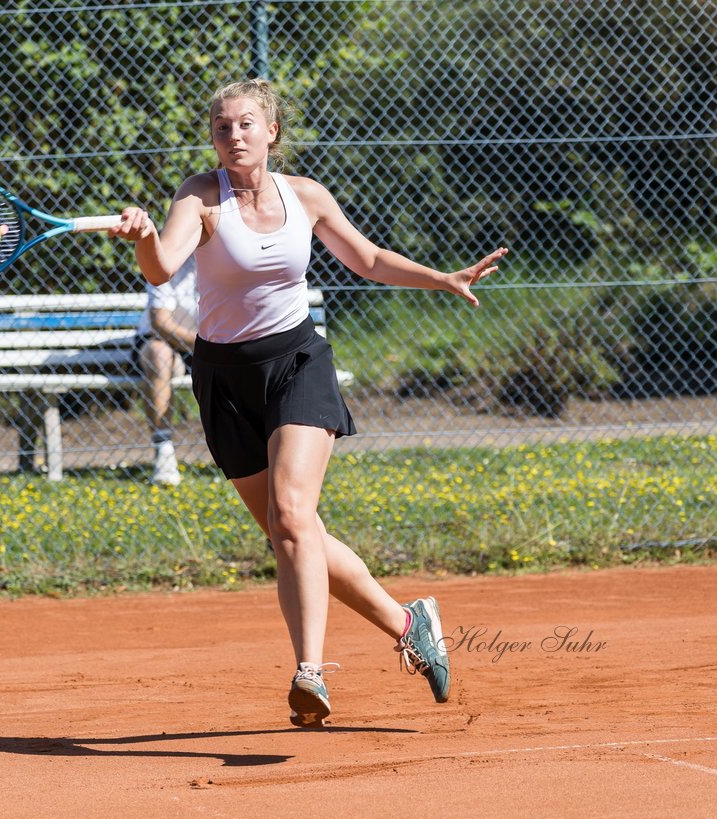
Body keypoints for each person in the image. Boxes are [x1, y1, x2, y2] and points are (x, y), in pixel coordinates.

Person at [108, 78, 508, 727]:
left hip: (296, 363)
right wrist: (145, 235)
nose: (233, 135)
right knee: (294, 533)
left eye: (244, 124)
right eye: (221, 128)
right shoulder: (198, 196)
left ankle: (311, 673)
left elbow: (369, 258)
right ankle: (410, 623)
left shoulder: (307, 197)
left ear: (271, 131)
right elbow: (161, 268)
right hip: (223, 378)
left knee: (293, 514)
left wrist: (441, 278)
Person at [133, 255, 198, 486]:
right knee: (159, 355)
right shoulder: (165, 258)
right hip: (160, 341)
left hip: (210, 342)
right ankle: (164, 452)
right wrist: (206, 345)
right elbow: (160, 323)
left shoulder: (230, 257)